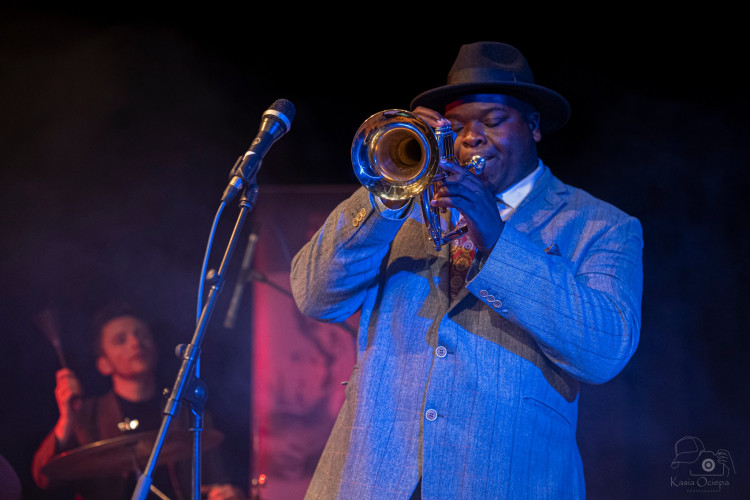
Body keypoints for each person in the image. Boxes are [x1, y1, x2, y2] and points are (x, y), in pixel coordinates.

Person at [290, 41, 643, 499]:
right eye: (455, 127)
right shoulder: (406, 207)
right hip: (370, 481)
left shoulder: (601, 225)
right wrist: (388, 197)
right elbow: (315, 296)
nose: (470, 138)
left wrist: (498, 240)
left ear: (534, 127)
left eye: (492, 122)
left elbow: (605, 350)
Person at [32, 300, 247, 500]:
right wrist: (66, 420)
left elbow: (217, 482)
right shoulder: (87, 416)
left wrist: (228, 493)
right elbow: (44, 479)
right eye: (121, 340)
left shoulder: (189, 413)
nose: (135, 343)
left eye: (141, 335)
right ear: (103, 364)